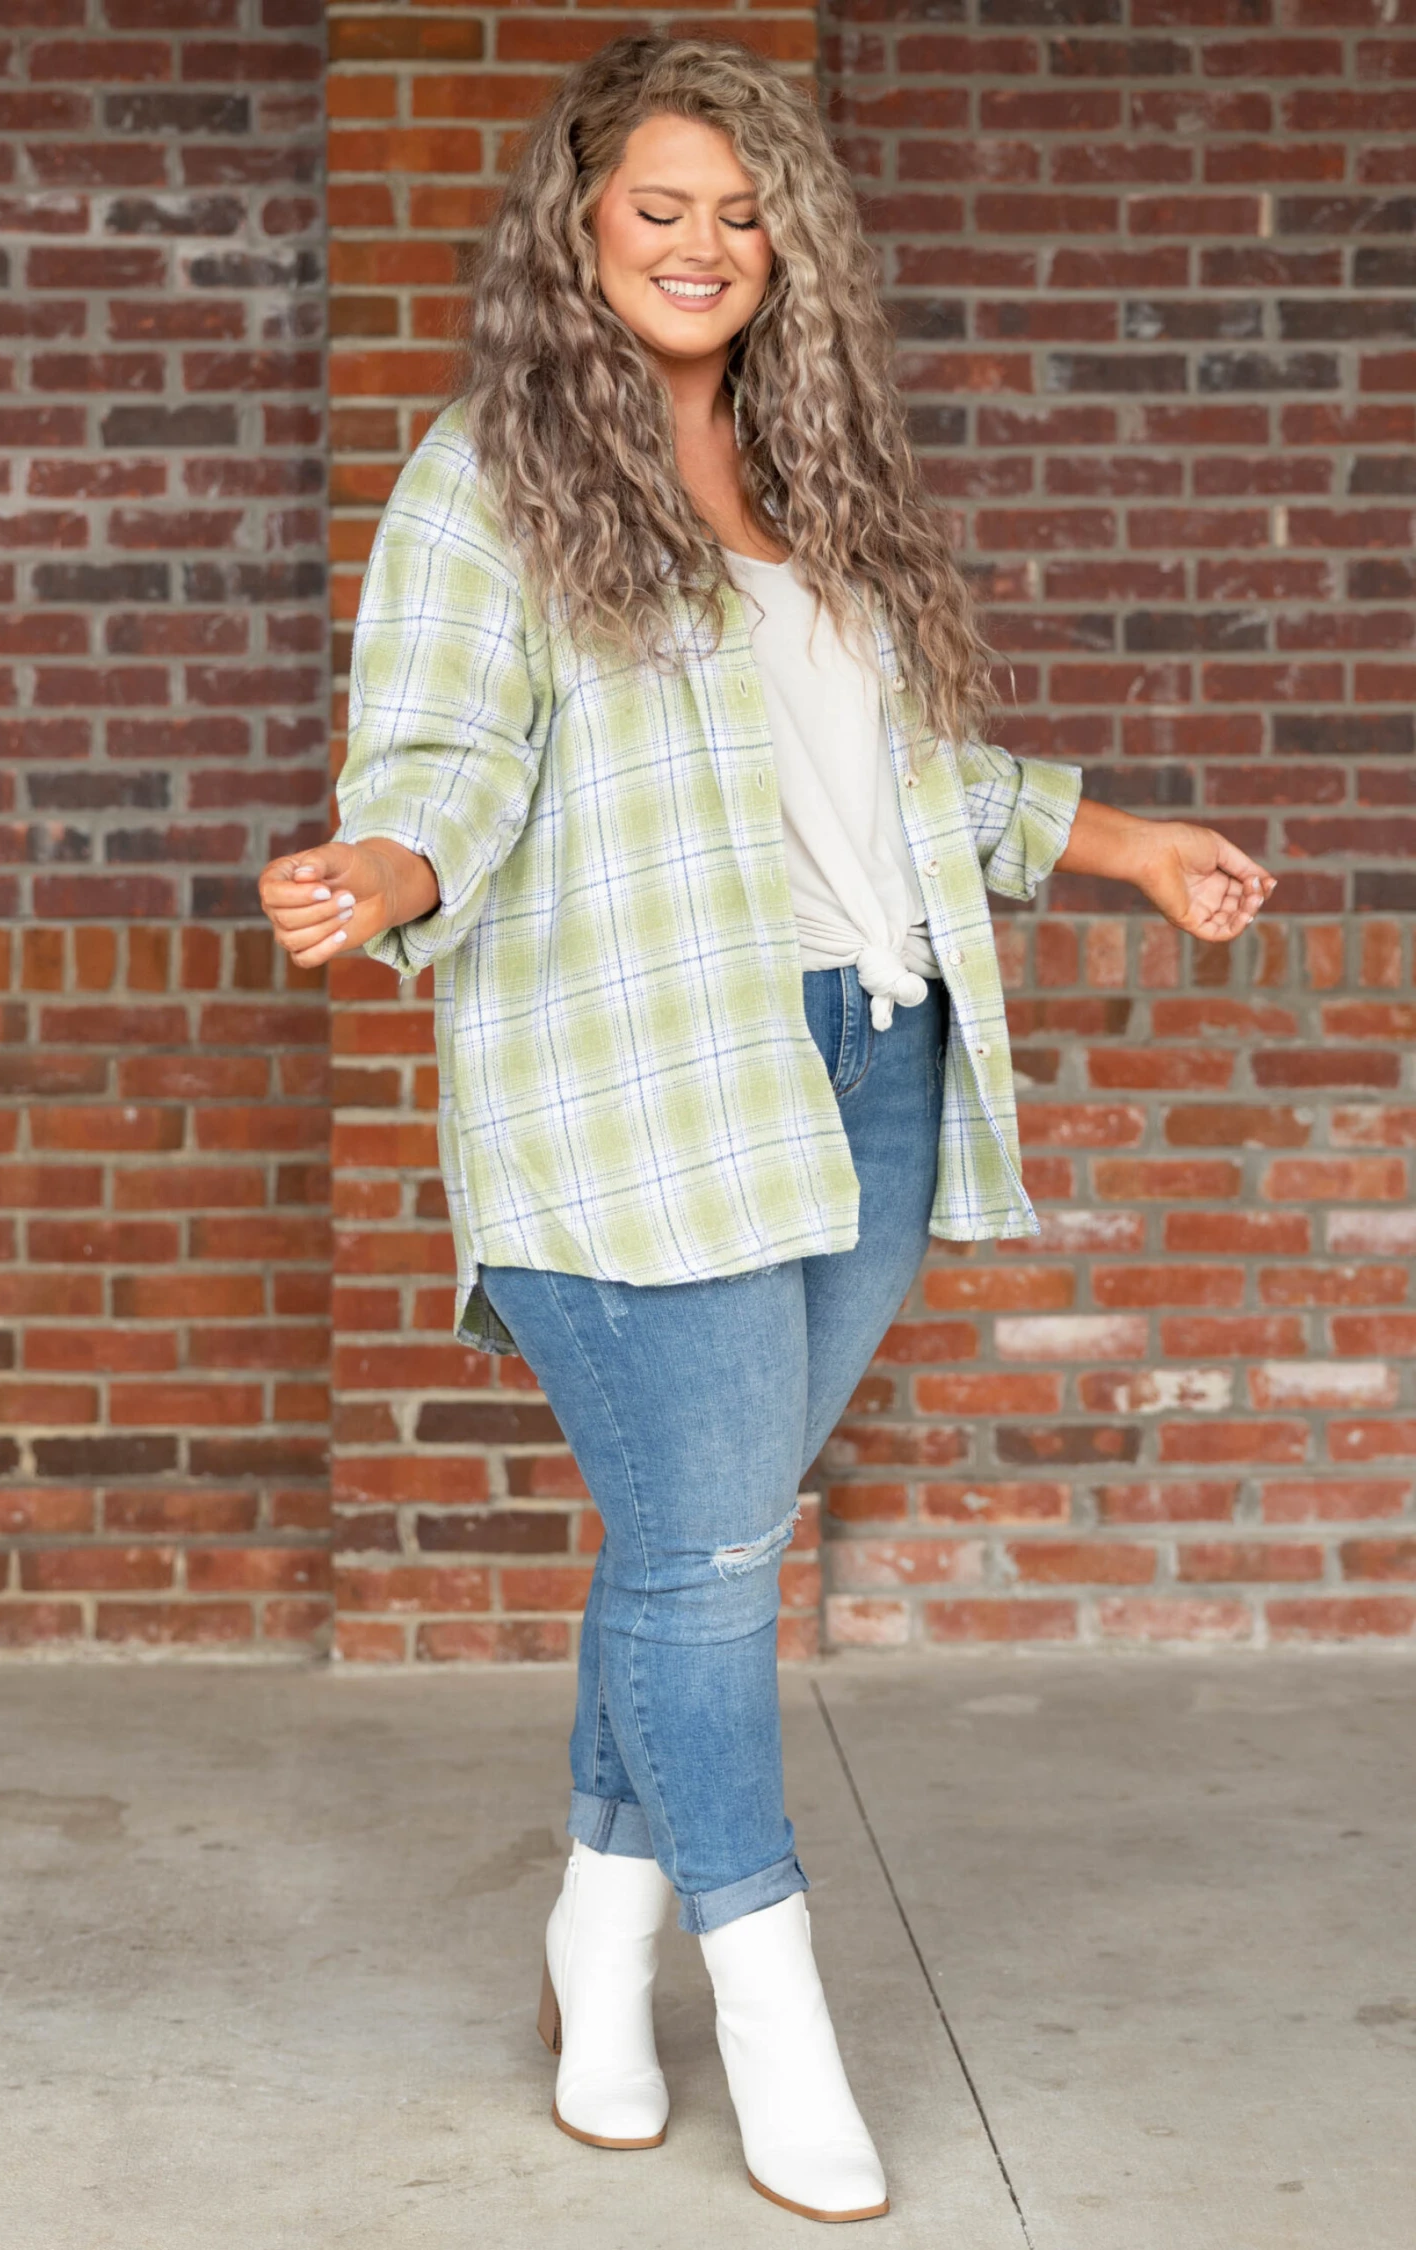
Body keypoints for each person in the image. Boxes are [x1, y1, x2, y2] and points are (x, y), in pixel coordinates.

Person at [258, 33, 1275, 2225]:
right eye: (662, 206)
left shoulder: (812, 467)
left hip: (872, 1067)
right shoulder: (487, 477)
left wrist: (1127, 844)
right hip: (646, 1085)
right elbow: (448, 759)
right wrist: (382, 872)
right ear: (578, 223)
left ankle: (595, 1937)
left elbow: (895, 786)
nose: (705, 245)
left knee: (694, 1548)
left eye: (743, 212)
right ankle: (772, 1998)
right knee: (716, 1563)